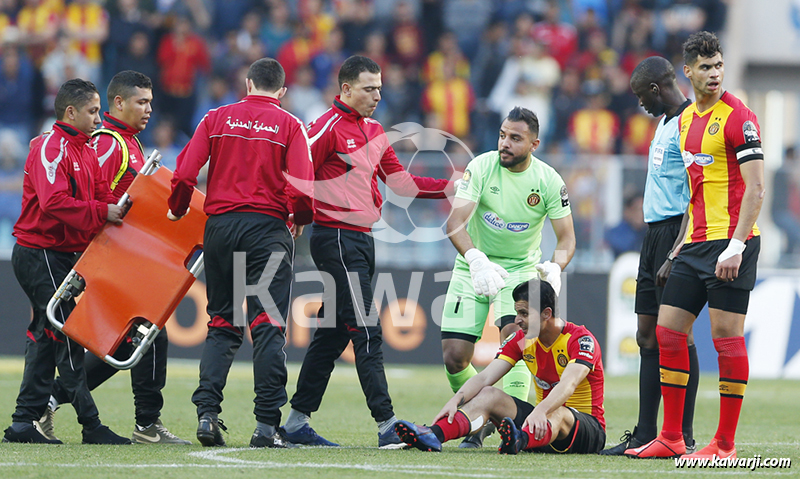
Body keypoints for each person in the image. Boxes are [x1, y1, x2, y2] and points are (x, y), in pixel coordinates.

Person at [281, 55, 452, 449]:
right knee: (367, 327)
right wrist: (296, 214)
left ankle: (294, 424)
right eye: (369, 88)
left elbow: (402, 183)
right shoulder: (323, 128)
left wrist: (449, 186)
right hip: (336, 237)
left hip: (361, 238)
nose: (377, 95)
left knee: (332, 332)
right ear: (345, 89)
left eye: (379, 87)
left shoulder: (374, 131)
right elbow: (296, 175)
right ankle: (386, 422)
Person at [626, 31, 764, 460]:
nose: (714, 74)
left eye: (718, 65)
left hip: (731, 243)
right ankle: (670, 438)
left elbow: (757, 188)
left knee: (725, 338)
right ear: (689, 71)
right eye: (705, 68)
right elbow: (695, 190)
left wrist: (737, 245)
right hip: (695, 241)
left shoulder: (739, 116)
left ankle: (723, 444)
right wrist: (678, 248)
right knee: (667, 331)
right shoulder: (684, 122)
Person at [167, 58, 314, 448]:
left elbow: (183, 174)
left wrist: (179, 208)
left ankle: (207, 414)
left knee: (222, 323)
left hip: (221, 230)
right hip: (267, 232)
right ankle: (266, 426)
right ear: (282, 91)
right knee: (267, 326)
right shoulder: (290, 125)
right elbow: (302, 188)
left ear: (247, 83)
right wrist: (299, 218)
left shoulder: (216, 117)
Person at [41, 71, 190, 445]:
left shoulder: (129, 143)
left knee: (133, 340)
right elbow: (95, 198)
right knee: (143, 336)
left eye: (151, 103)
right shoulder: (109, 144)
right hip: (113, 258)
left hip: (125, 257)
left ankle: (54, 400)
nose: (149, 110)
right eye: (141, 102)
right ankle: (146, 424)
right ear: (118, 103)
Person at [3, 78, 130, 445]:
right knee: (65, 334)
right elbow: (53, 203)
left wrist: (117, 210)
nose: (98, 119)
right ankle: (91, 425)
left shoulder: (86, 148)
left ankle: (23, 422)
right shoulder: (50, 147)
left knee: (47, 334)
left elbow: (104, 196)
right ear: (70, 112)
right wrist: (103, 211)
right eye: (92, 111)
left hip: (62, 254)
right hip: (39, 251)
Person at [440, 106, 575, 448]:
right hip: (474, 264)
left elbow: (567, 239)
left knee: (515, 342)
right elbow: (454, 224)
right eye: (502, 135)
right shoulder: (481, 167)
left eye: (515, 138)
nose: (505, 143)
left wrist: (556, 267)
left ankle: (504, 426)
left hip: (519, 270)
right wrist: (475, 259)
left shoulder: (548, 181)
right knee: (454, 356)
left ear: (534, 144)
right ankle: (481, 417)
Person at [600, 56, 699, 455]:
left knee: (677, 334)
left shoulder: (691, 124)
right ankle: (644, 433)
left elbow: (697, 194)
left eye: (642, 96)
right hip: (652, 234)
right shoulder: (663, 122)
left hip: (677, 233)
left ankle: (684, 435)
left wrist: (677, 251)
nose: (640, 104)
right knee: (646, 334)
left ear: (656, 89)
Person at [394, 278, 605, 454]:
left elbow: (568, 385)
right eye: (517, 313)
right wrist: (455, 400)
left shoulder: (580, 340)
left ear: (546, 314)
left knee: (558, 412)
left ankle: (518, 439)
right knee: (489, 393)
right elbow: (485, 377)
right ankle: (433, 434)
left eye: (524, 313)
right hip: (539, 427)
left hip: (587, 430)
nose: (517, 320)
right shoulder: (522, 340)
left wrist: (541, 410)